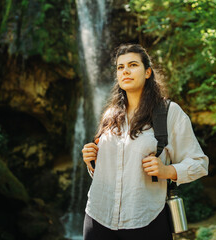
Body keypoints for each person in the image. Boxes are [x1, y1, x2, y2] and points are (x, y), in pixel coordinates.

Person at [81, 43, 209, 240]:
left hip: (145, 220)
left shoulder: (168, 112)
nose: (126, 71)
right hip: (98, 217)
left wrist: (168, 171)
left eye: (133, 65)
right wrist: (92, 161)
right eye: (120, 67)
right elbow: (111, 172)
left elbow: (200, 163)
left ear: (148, 72)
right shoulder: (110, 115)